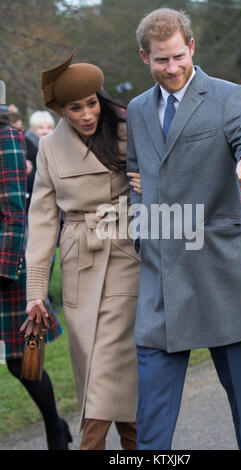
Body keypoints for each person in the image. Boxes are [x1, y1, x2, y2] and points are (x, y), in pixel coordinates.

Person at [126, 8, 241, 450]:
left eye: (178, 56)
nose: (171, 69)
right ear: (144, 58)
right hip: (160, 276)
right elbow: (136, 175)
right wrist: (141, 230)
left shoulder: (230, 96)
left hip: (217, 269)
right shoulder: (137, 109)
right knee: (152, 409)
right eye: (160, 60)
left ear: (191, 47)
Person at [22, 51, 141, 450]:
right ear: (60, 109)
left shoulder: (128, 127)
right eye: (76, 107)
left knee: (112, 357)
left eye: (92, 102)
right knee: (92, 362)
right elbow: (40, 222)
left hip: (125, 252)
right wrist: (36, 292)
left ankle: (92, 444)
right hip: (77, 263)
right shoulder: (49, 148)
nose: (88, 114)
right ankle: (136, 444)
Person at [0, 80, 70, 450]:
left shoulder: (8, 139)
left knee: (20, 362)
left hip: (4, 267)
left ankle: (54, 429)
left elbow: (14, 212)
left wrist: (4, 269)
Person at [24, 110, 55, 212]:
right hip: (30, 198)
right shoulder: (25, 145)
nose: (45, 131)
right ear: (32, 129)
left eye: (49, 128)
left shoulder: (55, 146)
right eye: (41, 128)